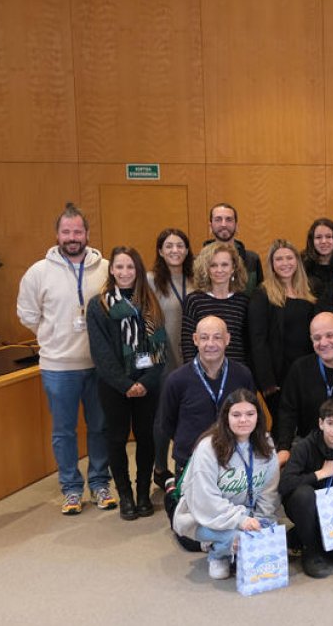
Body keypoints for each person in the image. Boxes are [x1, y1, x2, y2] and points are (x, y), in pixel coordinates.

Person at [16, 202, 114, 514]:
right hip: (58, 367)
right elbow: (28, 315)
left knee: (100, 427)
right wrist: (55, 336)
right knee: (63, 431)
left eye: (78, 231)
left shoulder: (106, 267)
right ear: (57, 234)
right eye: (66, 231)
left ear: (87, 233)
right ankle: (71, 488)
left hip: (99, 366)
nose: (72, 237)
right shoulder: (38, 272)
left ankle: (99, 483)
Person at [87, 246, 168, 520]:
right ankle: (125, 495)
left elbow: (159, 348)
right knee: (116, 438)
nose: (124, 272)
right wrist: (124, 384)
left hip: (148, 383)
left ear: (138, 270)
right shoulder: (98, 305)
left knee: (146, 437)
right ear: (111, 270)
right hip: (113, 386)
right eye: (119, 267)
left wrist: (146, 381)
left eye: (130, 267)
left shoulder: (150, 302)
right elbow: (101, 353)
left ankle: (143, 493)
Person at [154, 316, 257, 521]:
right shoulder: (177, 380)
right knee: (193, 534)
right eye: (204, 338)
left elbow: (252, 414)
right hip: (192, 460)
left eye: (217, 337)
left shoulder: (242, 374)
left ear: (227, 339)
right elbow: (167, 423)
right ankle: (172, 493)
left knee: (237, 519)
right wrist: (195, 448)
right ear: (195, 340)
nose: (210, 344)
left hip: (233, 458)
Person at [172, 389, 279, 581]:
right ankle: (218, 554)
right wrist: (241, 521)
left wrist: (263, 520)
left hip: (247, 514)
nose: (243, 420)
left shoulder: (266, 443)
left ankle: (232, 546)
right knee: (236, 535)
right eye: (236, 415)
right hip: (203, 516)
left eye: (250, 414)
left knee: (268, 535)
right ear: (226, 417)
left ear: (258, 417)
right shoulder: (208, 447)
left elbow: (269, 490)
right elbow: (206, 500)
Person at [278, 396, 333, 578]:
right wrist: (320, 474)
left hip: (331, 512)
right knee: (304, 494)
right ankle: (311, 550)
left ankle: (299, 537)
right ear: (321, 423)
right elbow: (285, 484)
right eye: (330, 423)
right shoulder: (304, 446)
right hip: (303, 506)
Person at [275, 312, 333, 465]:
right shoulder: (300, 368)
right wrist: (284, 447)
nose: (323, 343)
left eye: (330, 335)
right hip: (309, 450)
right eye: (317, 338)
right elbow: (288, 411)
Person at [248, 239, 316, 420]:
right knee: (282, 425)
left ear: (297, 261)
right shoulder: (262, 294)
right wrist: (266, 380)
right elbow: (257, 339)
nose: (285, 263)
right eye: (279, 259)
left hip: (306, 372)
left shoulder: (308, 293)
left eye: (289, 258)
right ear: (271, 264)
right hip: (278, 376)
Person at [180, 242, 250, 366]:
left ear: (233, 268)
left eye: (224, 265)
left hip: (236, 372)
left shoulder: (243, 301)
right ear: (206, 269)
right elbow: (188, 344)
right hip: (202, 373)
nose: (219, 270)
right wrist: (194, 374)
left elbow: (247, 343)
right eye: (213, 265)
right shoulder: (194, 301)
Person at [148, 228, 192, 372]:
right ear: (160, 251)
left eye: (180, 246)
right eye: (169, 246)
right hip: (164, 355)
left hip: (194, 351)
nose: (175, 250)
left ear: (186, 250)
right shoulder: (150, 281)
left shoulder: (197, 281)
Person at [204, 203, 263, 293]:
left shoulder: (252, 260)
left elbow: (260, 295)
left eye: (229, 219)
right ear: (210, 226)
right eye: (218, 219)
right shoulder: (199, 262)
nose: (223, 224)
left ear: (236, 226)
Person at [303, 217, 333, 298]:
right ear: (311, 241)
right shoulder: (302, 265)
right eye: (318, 237)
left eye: (328, 236)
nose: (324, 241)